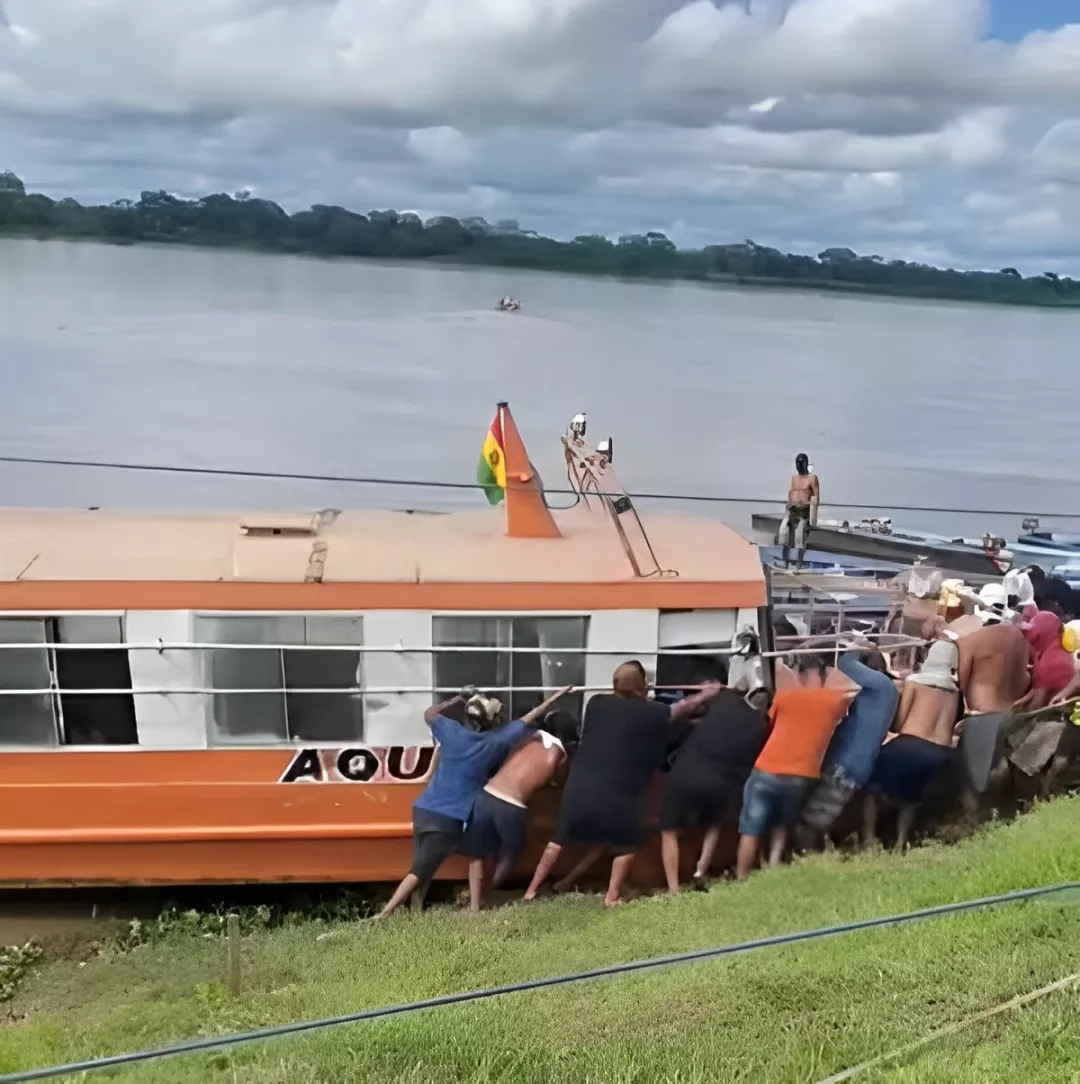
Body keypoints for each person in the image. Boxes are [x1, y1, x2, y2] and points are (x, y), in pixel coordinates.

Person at [523, 661, 721, 908]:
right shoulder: (651, 712)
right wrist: (708, 693)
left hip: (580, 789)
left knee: (559, 839)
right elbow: (681, 708)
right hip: (619, 794)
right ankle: (611, 897)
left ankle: (531, 891)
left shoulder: (596, 703)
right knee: (627, 846)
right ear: (640, 687)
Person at [376, 685, 573, 919]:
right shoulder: (494, 743)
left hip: (423, 807)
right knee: (423, 869)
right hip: (451, 815)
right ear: (493, 721)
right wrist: (556, 696)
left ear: (467, 717)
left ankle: (420, 910)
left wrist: (458, 697)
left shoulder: (451, 732)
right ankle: (385, 914)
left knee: (428, 861)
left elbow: (429, 714)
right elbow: (527, 718)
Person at [736, 654, 852, 879]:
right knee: (782, 824)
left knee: (751, 830)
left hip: (767, 770)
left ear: (799, 676)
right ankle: (773, 866)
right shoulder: (835, 701)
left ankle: (741, 876)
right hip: (802, 775)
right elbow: (847, 692)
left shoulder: (786, 695)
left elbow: (770, 720)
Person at [459, 709, 579, 912]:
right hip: (511, 805)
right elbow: (559, 782)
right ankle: (489, 890)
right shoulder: (560, 754)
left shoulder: (528, 738)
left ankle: (472, 896)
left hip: (486, 794)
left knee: (482, 851)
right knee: (511, 853)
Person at [659, 686, 770, 893]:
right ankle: (701, 868)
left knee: (668, 832)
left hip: (685, 774)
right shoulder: (760, 727)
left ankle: (673, 889)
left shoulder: (725, 699)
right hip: (720, 786)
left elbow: (719, 691)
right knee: (715, 822)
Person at [863, 640, 960, 850]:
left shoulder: (915, 682)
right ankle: (900, 841)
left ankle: (869, 838)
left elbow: (898, 723)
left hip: (910, 745)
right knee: (910, 799)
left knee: (870, 788)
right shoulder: (954, 691)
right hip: (939, 753)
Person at [797, 648, 898, 846]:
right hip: (856, 764)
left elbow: (845, 663)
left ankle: (804, 862)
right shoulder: (882, 693)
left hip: (846, 765)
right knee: (819, 816)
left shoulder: (880, 686)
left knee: (811, 821)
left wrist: (855, 646)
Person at [777, 453, 819, 569]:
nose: (799, 465)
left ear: (806, 463)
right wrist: (787, 507)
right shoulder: (794, 478)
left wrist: (813, 518)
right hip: (792, 510)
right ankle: (785, 563)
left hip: (803, 512)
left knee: (799, 539)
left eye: (801, 463)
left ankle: (798, 565)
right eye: (798, 463)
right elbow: (791, 494)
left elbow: (815, 498)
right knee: (784, 536)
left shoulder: (812, 478)